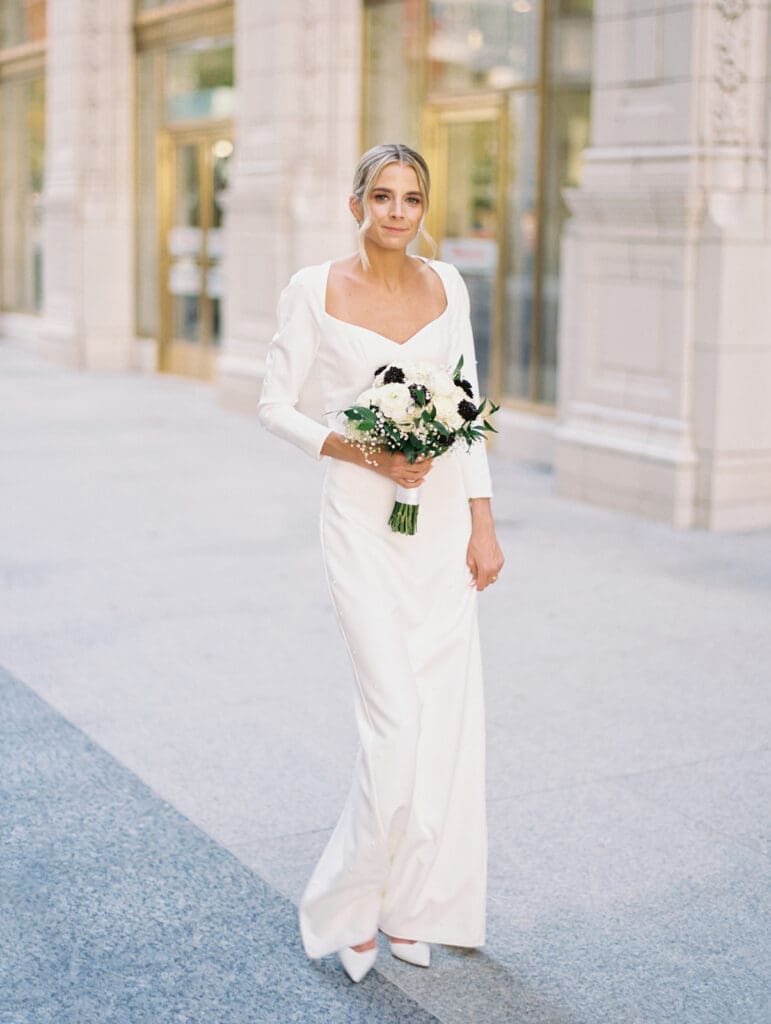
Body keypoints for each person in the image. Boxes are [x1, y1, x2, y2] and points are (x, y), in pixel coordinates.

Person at [257, 143, 504, 983]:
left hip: (440, 523)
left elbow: (464, 406)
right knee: (395, 720)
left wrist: (482, 521)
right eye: (383, 196)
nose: (398, 211)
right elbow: (273, 405)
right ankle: (349, 905)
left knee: (441, 720)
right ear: (355, 203)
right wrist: (361, 451)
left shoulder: (448, 285)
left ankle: (414, 903)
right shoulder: (313, 288)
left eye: (412, 198)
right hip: (360, 522)